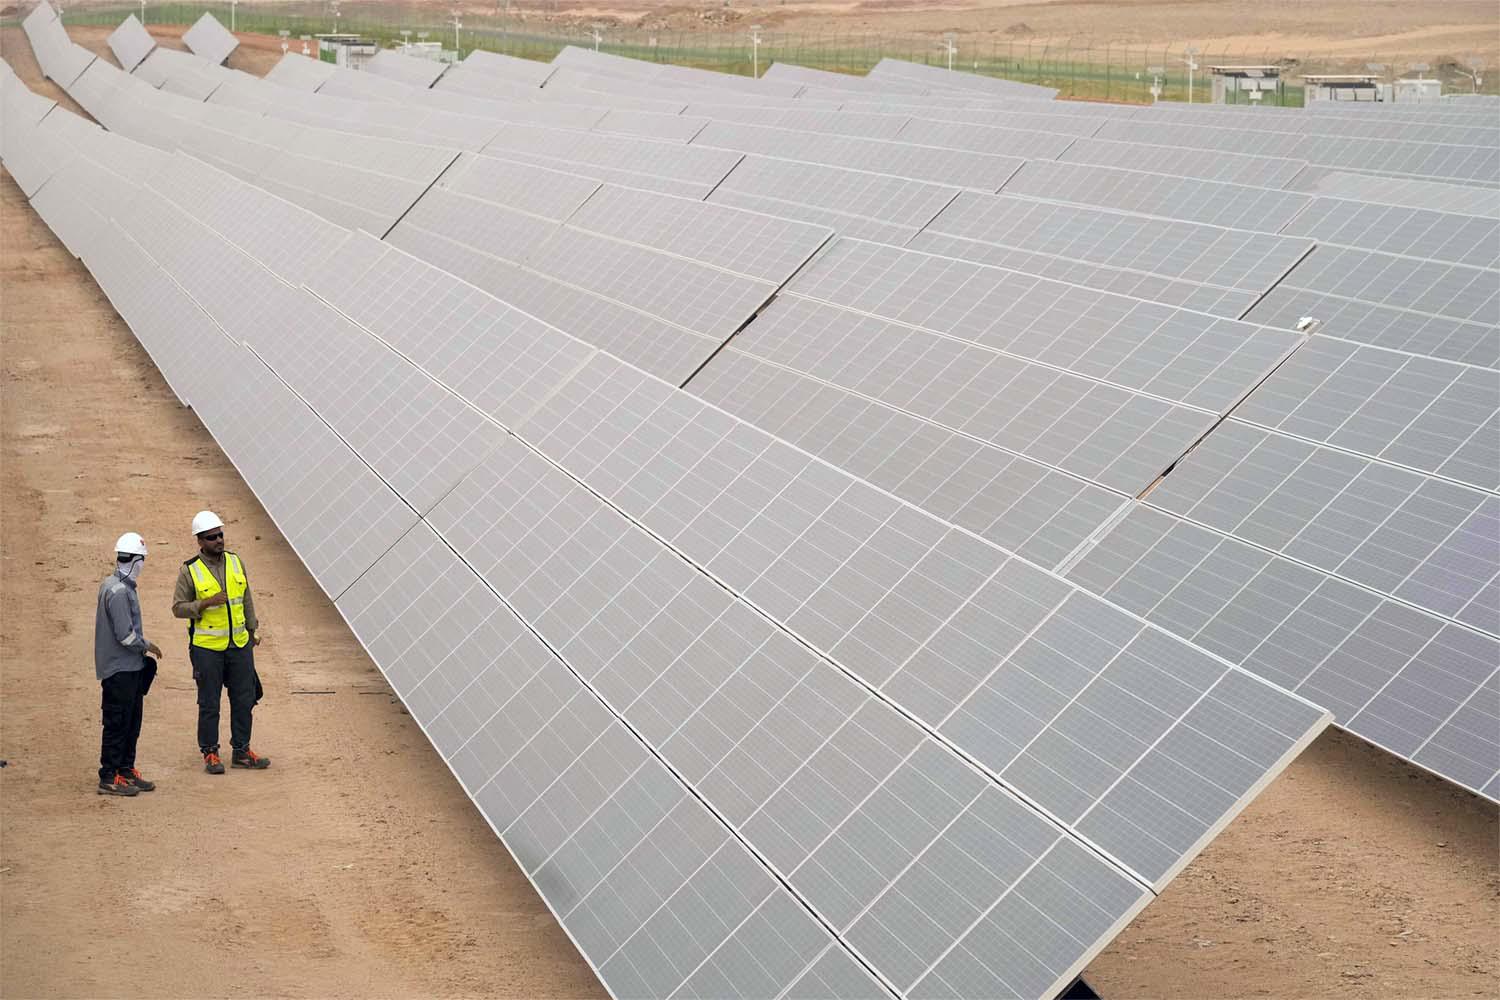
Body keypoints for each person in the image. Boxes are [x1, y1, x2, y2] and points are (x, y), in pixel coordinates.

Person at [171, 510, 271, 774]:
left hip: (239, 646)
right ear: (200, 541)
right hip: (207, 650)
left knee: (244, 698)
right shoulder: (189, 570)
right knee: (209, 702)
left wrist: (252, 630)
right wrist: (205, 603)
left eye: (220, 534)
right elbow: (178, 608)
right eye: (212, 537)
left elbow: (246, 597)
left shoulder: (236, 562)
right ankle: (210, 753)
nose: (219, 540)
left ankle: (241, 750)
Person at [95, 532, 164, 797]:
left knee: (132, 721)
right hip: (119, 670)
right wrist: (148, 646)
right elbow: (125, 635)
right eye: (142, 560)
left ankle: (125, 769)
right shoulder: (119, 591)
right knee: (117, 723)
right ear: (135, 561)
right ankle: (109, 777)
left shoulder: (115, 585)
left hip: (130, 669)